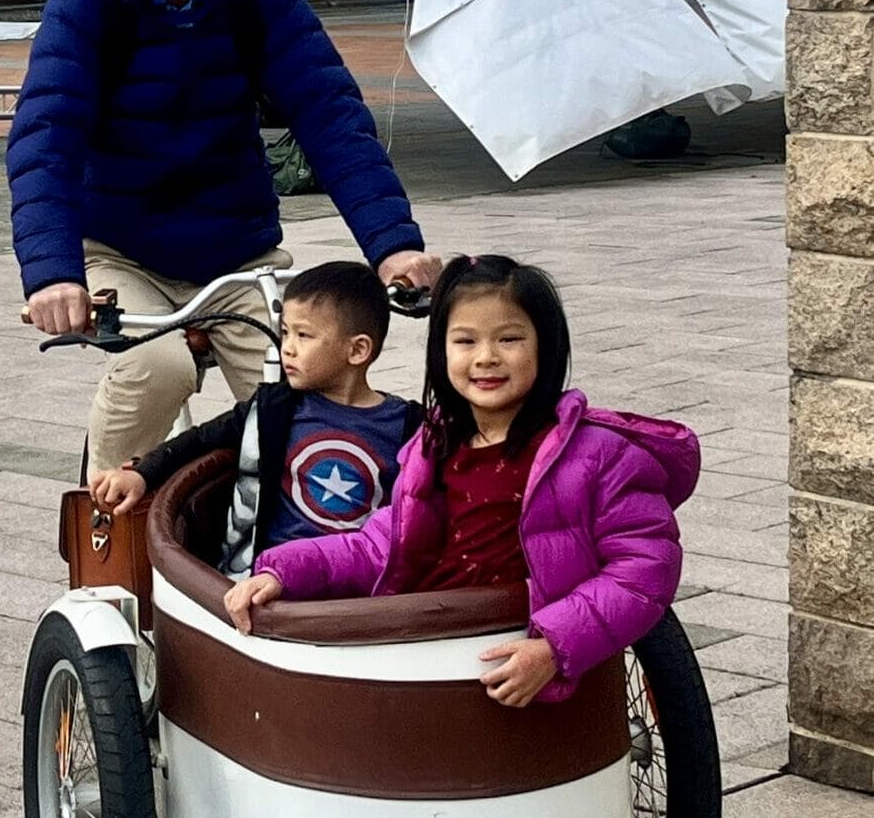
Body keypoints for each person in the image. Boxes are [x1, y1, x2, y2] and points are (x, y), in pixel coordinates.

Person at [7, 0, 440, 474]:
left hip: (238, 256)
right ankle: (103, 524)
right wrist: (53, 274)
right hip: (121, 252)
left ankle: (303, 539)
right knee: (158, 366)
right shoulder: (91, 1)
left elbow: (333, 120)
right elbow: (47, 140)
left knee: (303, 388)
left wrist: (393, 244)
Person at [224, 254, 699, 709]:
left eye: (509, 340)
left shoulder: (597, 455)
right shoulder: (433, 449)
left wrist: (556, 645)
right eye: (465, 341)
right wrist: (280, 570)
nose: (486, 358)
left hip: (518, 659)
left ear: (546, 347)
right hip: (431, 653)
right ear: (441, 351)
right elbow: (378, 546)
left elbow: (644, 569)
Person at [89, 262, 424, 576]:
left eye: (303, 336)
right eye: (285, 333)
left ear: (357, 350)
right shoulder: (275, 408)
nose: (286, 348)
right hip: (267, 576)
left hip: (359, 578)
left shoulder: (407, 424)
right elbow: (200, 440)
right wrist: (143, 474)